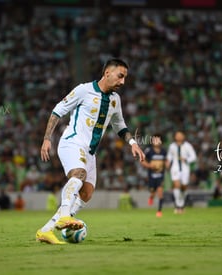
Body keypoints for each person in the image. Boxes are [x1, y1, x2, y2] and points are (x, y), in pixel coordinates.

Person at [36, 58, 145, 244]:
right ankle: (64, 216)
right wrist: (47, 139)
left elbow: (120, 126)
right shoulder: (83, 90)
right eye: (120, 76)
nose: (123, 82)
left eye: (125, 78)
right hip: (72, 143)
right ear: (107, 73)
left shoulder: (115, 100)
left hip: (90, 152)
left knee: (86, 194)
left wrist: (133, 142)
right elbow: (58, 110)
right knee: (78, 174)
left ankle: (45, 231)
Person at [166, 131, 197, 214]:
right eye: (177, 135)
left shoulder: (187, 146)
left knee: (183, 186)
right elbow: (169, 155)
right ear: (175, 137)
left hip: (185, 168)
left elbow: (193, 157)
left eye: (181, 135)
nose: (179, 136)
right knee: (176, 185)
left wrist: (186, 159)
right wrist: (168, 162)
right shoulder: (172, 146)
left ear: (183, 136)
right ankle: (177, 205)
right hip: (175, 168)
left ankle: (182, 203)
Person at [141, 133, 167, 217]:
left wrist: (167, 164)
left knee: (160, 192)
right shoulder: (149, 151)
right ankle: (151, 197)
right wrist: (149, 166)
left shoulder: (164, 151)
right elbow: (142, 160)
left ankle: (159, 211)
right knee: (152, 192)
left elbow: (167, 161)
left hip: (160, 175)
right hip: (151, 176)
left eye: (158, 139)